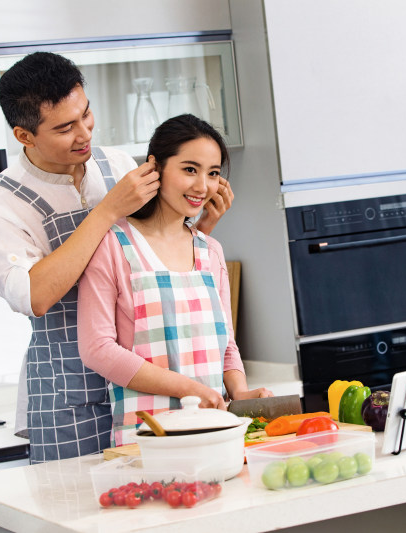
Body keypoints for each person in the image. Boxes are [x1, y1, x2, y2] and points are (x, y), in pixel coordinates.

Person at [0, 53, 234, 463]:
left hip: (146, 387)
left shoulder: (116, 164)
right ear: (24, 136)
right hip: (68, 395)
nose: (83, 134)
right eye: (64, 127)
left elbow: (147, 257)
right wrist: (107, 210)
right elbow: (34, 296)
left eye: (86, 114)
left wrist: (198, 232)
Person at [77, 114, 271, 446]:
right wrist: (188, 389)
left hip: (215, 435)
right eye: (189, 169)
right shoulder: (113, 244)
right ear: (155, 166)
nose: (202, 186)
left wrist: (241, 391)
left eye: (213, 174)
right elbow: (97, 349)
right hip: (148, 440)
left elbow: (224, 343)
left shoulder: (210, 250)